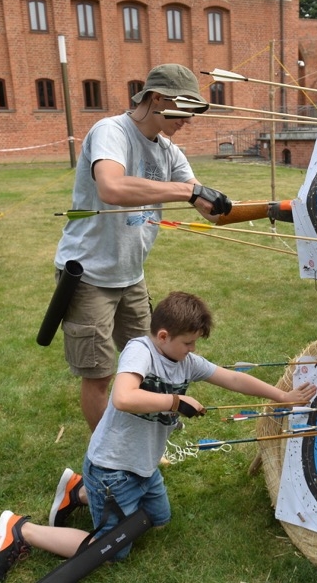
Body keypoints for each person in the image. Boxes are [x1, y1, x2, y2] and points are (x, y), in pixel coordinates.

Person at [0, 292, 317, 583]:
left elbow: (231, 378)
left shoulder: (184, 360)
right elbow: (123, 397)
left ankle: (78, 492)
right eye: (188, 342)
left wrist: (283, 397)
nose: (192, 350)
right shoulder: (140, 351)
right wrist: (175, 401)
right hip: (113, 469)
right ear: (163, 335)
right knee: (113, 549)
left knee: (159, 520)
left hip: (142, 468)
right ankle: (21, 530)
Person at [53, 64, 234, 431]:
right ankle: (107, 459)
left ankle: (140, 441)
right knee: (100, 375)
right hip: (88, 274)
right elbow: (112, 188)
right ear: (155, 99)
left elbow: (207, 207)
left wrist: (273, 209)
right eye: (182, 110)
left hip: (130, 276)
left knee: (147, 362)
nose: (188, 120)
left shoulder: (169, 151)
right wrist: (188, 191)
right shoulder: (111, 131)